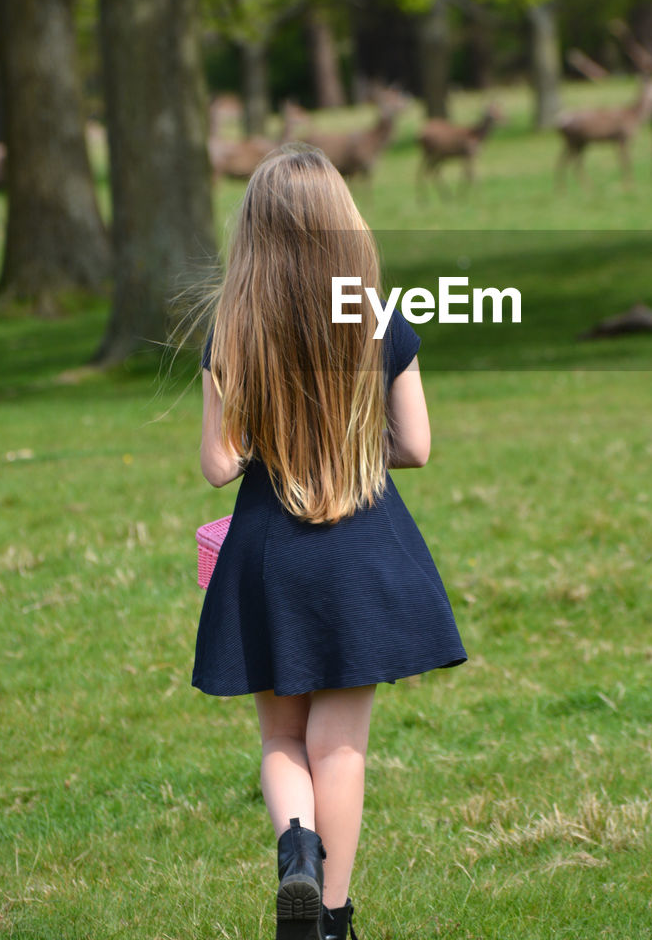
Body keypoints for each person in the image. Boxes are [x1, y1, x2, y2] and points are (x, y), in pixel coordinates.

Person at [193, 146, 467, 940]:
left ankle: (296, 855)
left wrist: (272, 440)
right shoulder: (378, 316)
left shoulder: (234, 327)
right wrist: (341, 446)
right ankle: (333, 916)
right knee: (338, 746)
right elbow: (413, 445)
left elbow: (218, 464)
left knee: (282, 735)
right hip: (358, 551)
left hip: (268, 555)